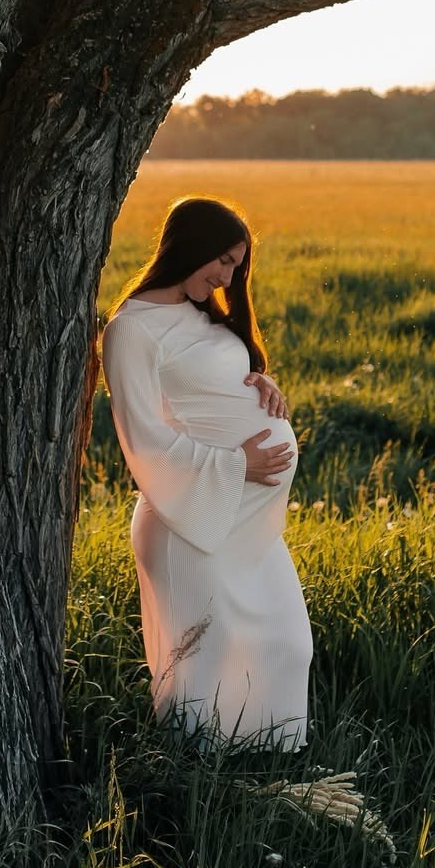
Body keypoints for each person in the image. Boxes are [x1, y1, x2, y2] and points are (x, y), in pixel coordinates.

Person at [100, 195, 312, 750]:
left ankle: (259, 762)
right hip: (190, 519)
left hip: (247, 526)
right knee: (202, 660)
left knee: (286, 643)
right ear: (186, 249)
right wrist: (237, 462)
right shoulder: (131, 330)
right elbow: (143, 437)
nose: (227, 277)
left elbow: (207, 381)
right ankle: (192, 779)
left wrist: (255, 378)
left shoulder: (200, 312)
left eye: (236, 265)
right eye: (220, 261)